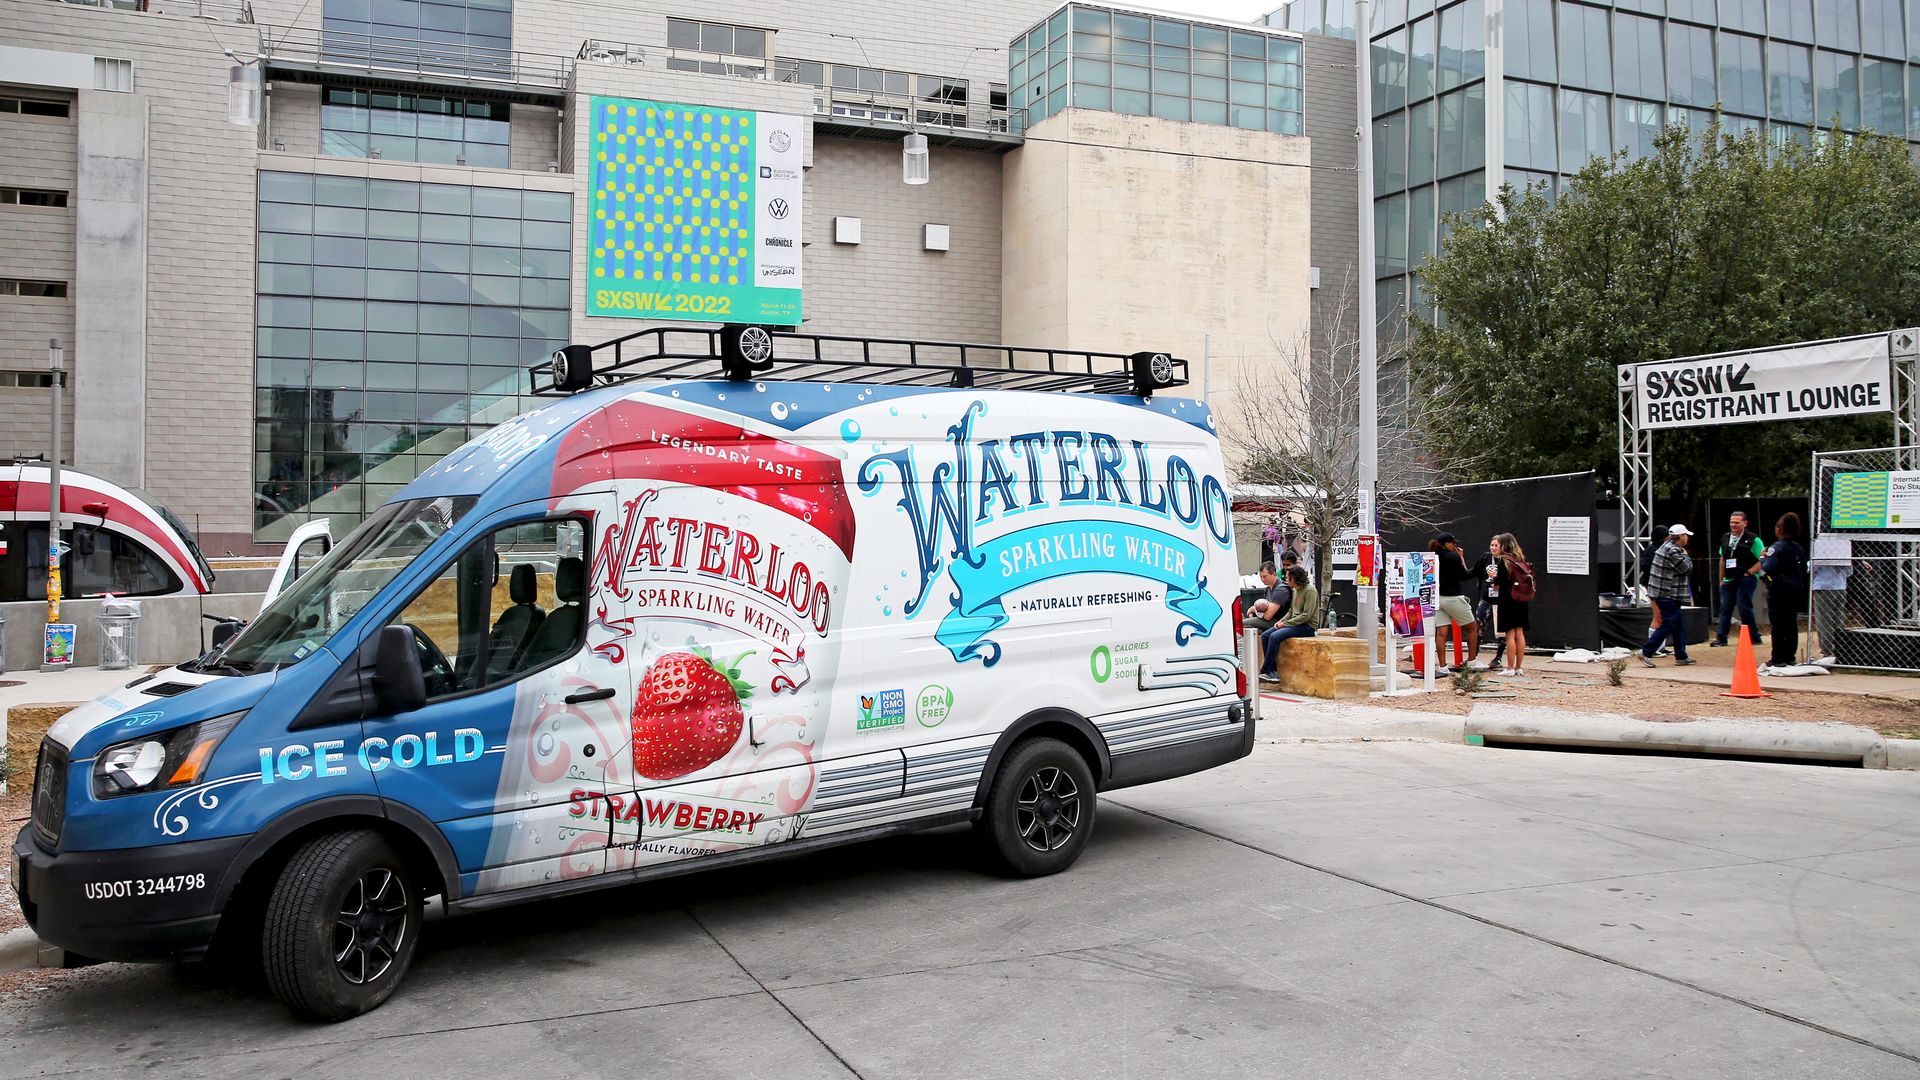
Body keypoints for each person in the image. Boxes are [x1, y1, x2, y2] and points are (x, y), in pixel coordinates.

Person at [1750, 512, 1807, 670]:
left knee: (1778, 623)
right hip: (1795, 588)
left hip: (1779, 588)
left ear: (1780, 529)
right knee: (1791, 623)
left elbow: (1768, 567)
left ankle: (1778, 658)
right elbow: (1804, 568)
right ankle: (1790, 656)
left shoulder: (1775, 548)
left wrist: (1762, 558)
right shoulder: (1799, 548)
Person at [1640, 524, 1699, 668]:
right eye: (1686, 535)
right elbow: (1686, 568)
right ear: (1680, 536)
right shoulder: (1673, 551)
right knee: (1669, 623)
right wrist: (1686, 555)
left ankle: (1681, 656)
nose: (1687, 538)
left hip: (1664, 592)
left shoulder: (1666, 547)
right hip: (1667, 594)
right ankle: (1646, 651)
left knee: (1678, 625)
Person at [1712, 510, 1765, 648]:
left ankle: (1753, 636)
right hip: (1729, 578)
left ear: (1745, 523)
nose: (1733, 525)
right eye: (1731, 522)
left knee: (1743, 605)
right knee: (1725, 608)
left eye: (1737, 522)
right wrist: (1721, 580)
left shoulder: (1754, 539)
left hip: (1745, 577)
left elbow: (1762, 559)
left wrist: (1750, 572)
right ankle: (1721, 638)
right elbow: (1722, 559)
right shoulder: (1725, 538)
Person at [1258, 566, 1320, 682]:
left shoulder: (1310, 591)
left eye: (1287, 577)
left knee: (1274, 636)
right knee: (1265, 635)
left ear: (1294, 578)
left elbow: (1306, 615)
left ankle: (1267, 670)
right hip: (1294, 623)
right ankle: (1272, 670)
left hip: (1307, 626)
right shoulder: (1295, 590)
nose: (1286, 579)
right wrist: (1281, 621)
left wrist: (1286, 624)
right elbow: (1291, 611)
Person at [1486, 533, 1533, 676]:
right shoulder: (1520, 559)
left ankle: (1510, 667)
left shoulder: (1504, 560)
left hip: (1507, 599)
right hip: (1521, 599)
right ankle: (1518, 667)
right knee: (1520, 632)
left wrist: (1494, 577)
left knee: (1510, 634)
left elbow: (1500, 581)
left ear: (1504, 545)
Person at [1429, 533, 1477, 667]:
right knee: (1472, 628)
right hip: (1453, 597)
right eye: (1453, 543)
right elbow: (1464, 575)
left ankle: (1443, 666)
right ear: (1447, 544)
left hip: (1437, 598)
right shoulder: (1452, 557)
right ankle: (1472, 661)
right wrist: (1461, 557)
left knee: (1441, 633)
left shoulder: (1432, 556)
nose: (1455, 545)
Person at [1809, 532, 1852, 661]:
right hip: (1840, 586)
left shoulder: (1820, 549)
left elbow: (1812, 568)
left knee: (1824, 621)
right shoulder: (1843, 548)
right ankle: (1840, 648)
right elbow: (1849, 572)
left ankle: (1827, 650)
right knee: (1839, 619)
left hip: (1823, 587)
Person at [1246, 561, 1288, 632]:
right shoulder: (1268, 589)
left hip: (1278, 622)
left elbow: (1268, 616)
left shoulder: (1281, 590)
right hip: (1267, 619)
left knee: (1243, 624)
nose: (1263, 579)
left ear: (1274, 574)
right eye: (1261, 577)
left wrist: (1253, 609)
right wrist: (1252, 613)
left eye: (1265, 576)